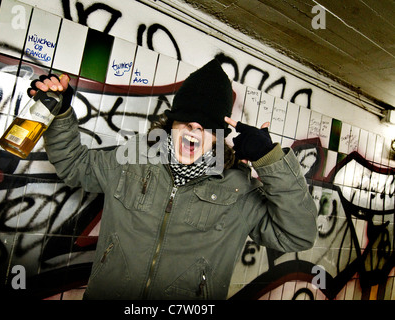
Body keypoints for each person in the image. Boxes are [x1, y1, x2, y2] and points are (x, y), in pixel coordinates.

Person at [28, 59, 317, 300]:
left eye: (206, 125)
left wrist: (271, 160)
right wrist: (62, 114)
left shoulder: (237, 190)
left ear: (218, 137)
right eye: (187, 119)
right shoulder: (133, 161)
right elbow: (74, 166)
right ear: (172, 123)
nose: (194, 128)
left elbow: (298, 235)